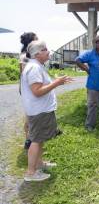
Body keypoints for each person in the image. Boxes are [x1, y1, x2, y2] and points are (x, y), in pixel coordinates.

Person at [21, 40, 73, 181]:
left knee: (40, 138)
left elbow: (40, 85)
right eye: (45, 49)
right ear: (37, 53)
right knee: (36, 140)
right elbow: (37, 91)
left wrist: (54, 81)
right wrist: (57, 83)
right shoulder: (34, 68)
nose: (48, 51)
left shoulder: (37, 66)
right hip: (39, 111)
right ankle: (31, 173)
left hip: (41, 110)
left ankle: (39, 163)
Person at [19, 32, 38, 150]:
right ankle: (29, 139)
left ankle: (29, 139)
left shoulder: (29, 54)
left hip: (30, 88)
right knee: (30, 114)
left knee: (31, 114)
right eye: (36, 39)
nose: (38, 41)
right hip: (30, 88)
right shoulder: (25, 56)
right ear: (30, 42)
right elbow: (27, 74)